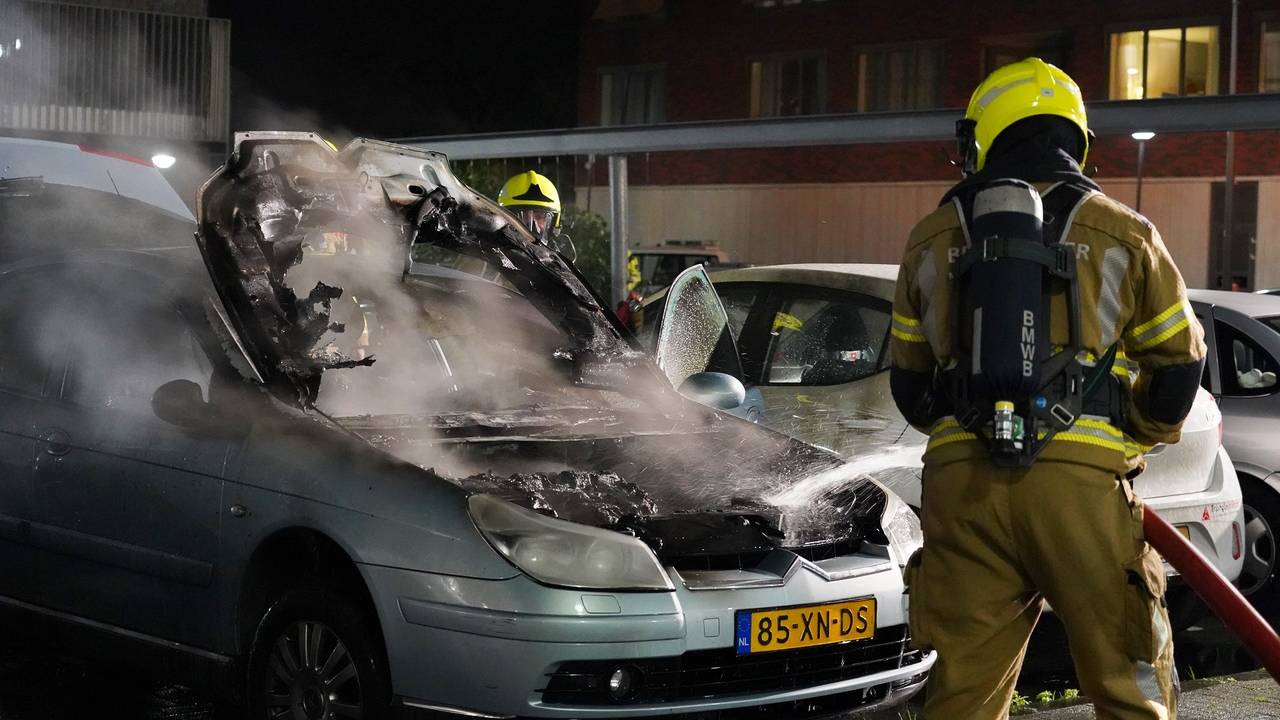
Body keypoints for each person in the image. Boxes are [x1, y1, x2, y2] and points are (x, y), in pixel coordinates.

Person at [890, 57, 1205, 720]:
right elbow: (1178, 370)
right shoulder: (1125, 231)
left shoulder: (929, 238)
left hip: (962, 491)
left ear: (988, 134)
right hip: (1082, 494)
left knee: (959, 699)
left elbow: (911, 388)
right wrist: (1126, 433)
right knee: (1127, 681)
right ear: (1072, 133)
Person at [497, 170, 564, 246]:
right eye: (524, 216)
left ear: (554, 224)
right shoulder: (490, 253)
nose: (533, 224)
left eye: (540, 216)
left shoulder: (556, 257)